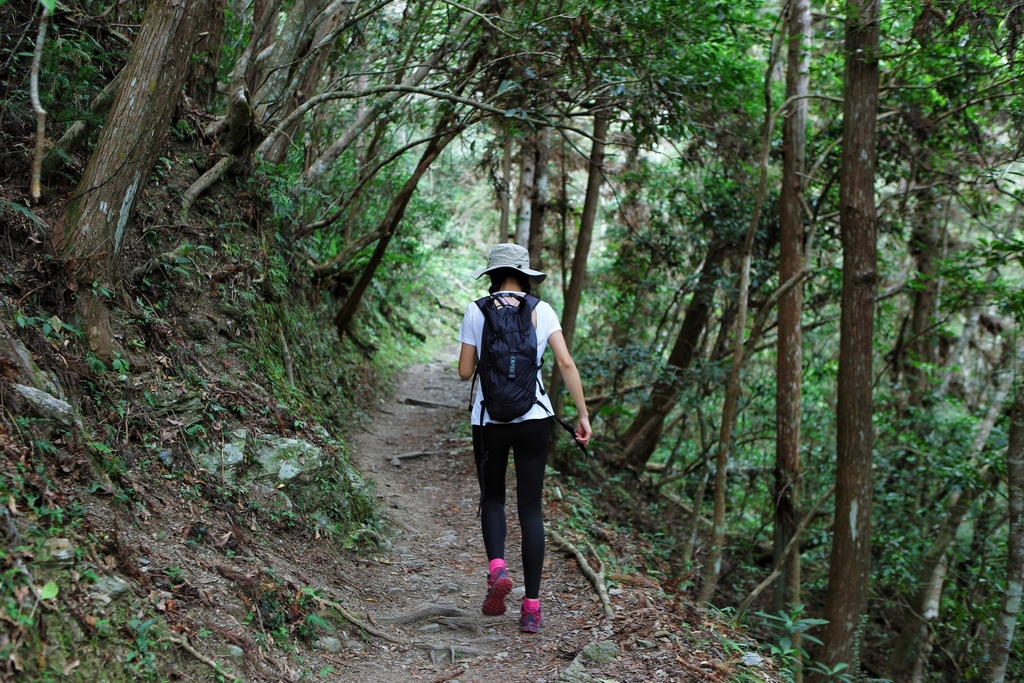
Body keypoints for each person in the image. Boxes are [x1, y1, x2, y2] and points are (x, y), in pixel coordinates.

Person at [457, 243, 592, 633]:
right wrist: (582, 416)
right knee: (531, 509)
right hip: (535, 418)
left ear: (493, 275)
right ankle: (531, 608)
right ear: (526, 274)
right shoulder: (541, 309)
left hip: (488, 421)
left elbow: (465, 373)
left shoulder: (476, 310)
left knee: (494, 497)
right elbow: (565, 363)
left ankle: (497, 568)